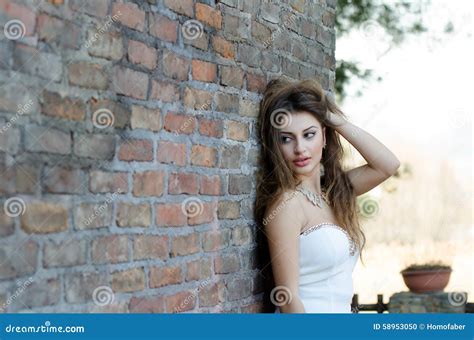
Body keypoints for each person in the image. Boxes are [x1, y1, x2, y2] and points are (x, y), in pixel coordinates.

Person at [254, 78, 400, 313]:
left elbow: (387, 165)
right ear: (276, 145)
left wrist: (334, 119)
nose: (300, 148)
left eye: (309, 134)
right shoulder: (288, 205)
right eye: (287, 138)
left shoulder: (335, 194)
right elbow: (288, 297)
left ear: (324, 136)